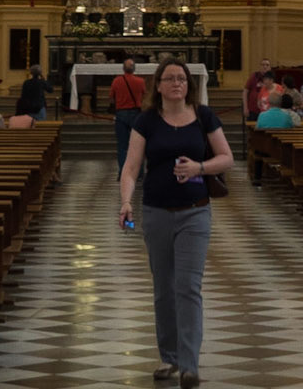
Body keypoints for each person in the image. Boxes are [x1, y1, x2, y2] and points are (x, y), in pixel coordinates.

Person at [119, 55, 233, 389]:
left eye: (181, 79)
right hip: (155, 212)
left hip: (195, 211)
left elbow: (226, 156)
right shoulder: (147, 121)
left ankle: (189, 364)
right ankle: (169, 356)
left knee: (188, 287)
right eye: (169, 78)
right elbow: (130, 167)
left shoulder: (203, 116)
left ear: (189, 84)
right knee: (163, 289)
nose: (176, 84)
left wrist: (199, 168)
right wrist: (126, 201)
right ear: (158, 85)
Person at [111, 56, 148, 178]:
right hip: (136, 114)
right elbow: (144, 95)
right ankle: (139, 172)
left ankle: (123, 172)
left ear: (123, 68)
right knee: (138, 144)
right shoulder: (140, 81)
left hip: (121, 113)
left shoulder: (116, 81)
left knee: (122, 145)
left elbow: (111, 96)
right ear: (134, 69)